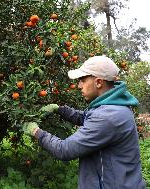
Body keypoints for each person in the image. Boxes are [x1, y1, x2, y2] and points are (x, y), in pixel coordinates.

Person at [22, 56, 146, 189]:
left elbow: (64, 150)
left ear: (98, 82)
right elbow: (86, 117)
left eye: (83, 80)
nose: (79, 85)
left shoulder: (108, 117)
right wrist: (59, 109)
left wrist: (36, 132)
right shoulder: (112, 108)